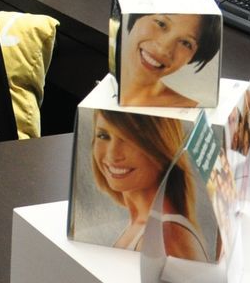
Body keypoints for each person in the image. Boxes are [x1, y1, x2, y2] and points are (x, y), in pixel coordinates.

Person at [88, 110, 207, 261]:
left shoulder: (164, 237)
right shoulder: (143, 226)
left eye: (129, 138)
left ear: (161, 146)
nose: (112, 155)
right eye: (103, 136)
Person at [117, 11, 223, 108]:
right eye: (161, 24)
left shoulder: (190, 111)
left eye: (185, 43)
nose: (163, 49)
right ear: (136, 17)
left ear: (193, 57)